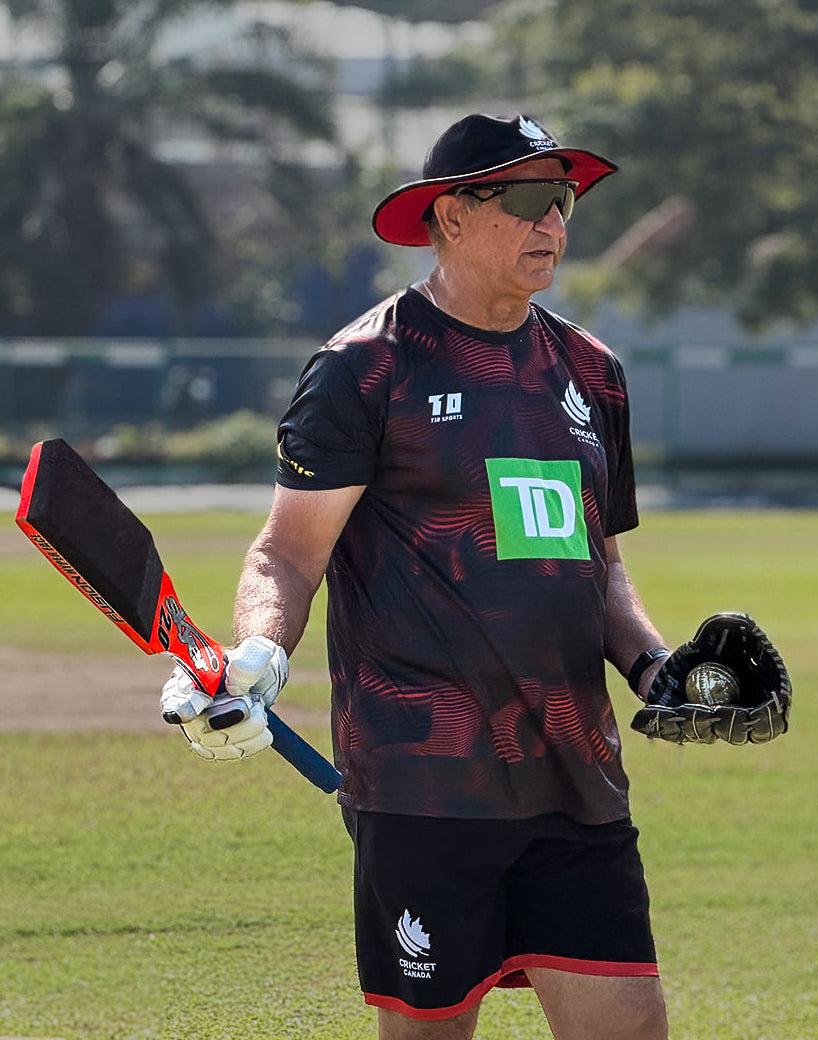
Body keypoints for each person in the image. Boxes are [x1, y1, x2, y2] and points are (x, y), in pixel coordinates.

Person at [162, 112, 672, 1040]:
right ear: (451, 215)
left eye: (561, 200)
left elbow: (593, 558)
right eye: (524, 198)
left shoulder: (591, 371)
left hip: (579, 784)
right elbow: (286, 550)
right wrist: (258, 654)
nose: (551, 221)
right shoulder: (366, 368)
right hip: (425, 790)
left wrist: (653, 666)